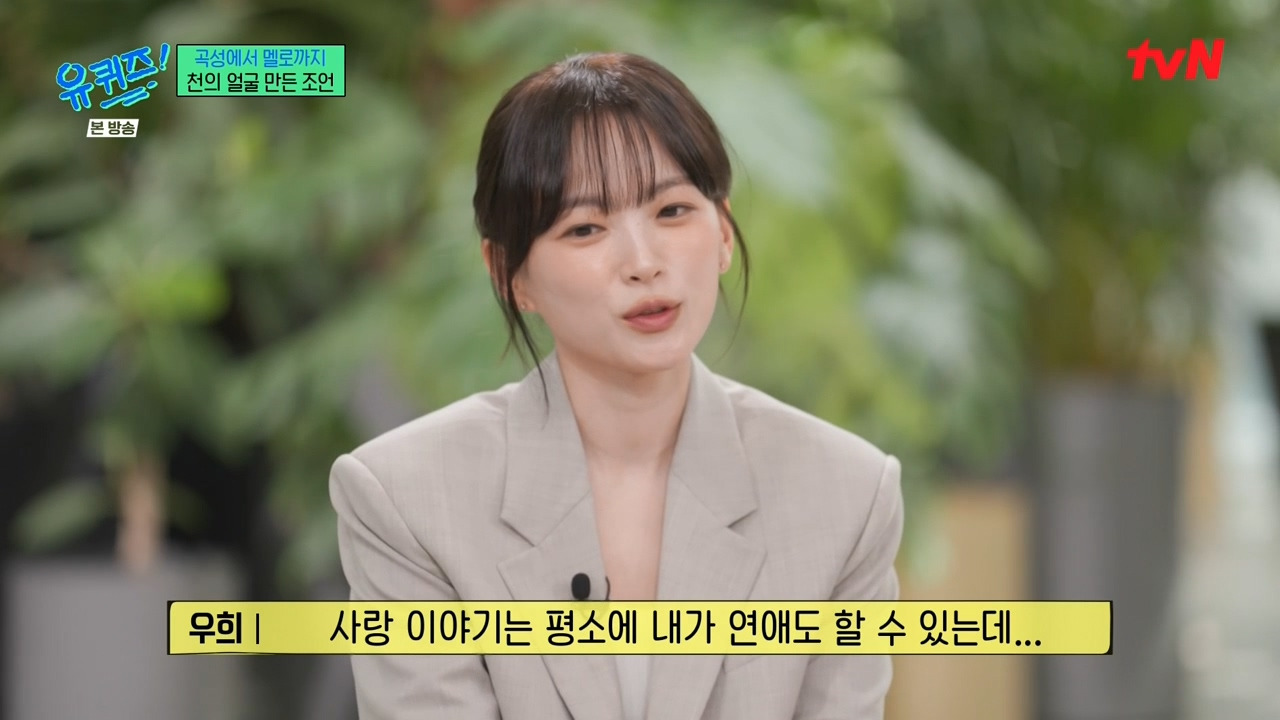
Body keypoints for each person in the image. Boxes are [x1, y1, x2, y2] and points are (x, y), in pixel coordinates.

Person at [330, 50, 905, 720]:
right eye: (585, 228)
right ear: (510, 274)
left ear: (723, 230)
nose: (643, 263)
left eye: (672, 211)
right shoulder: (406, 500)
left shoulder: (845, 495)